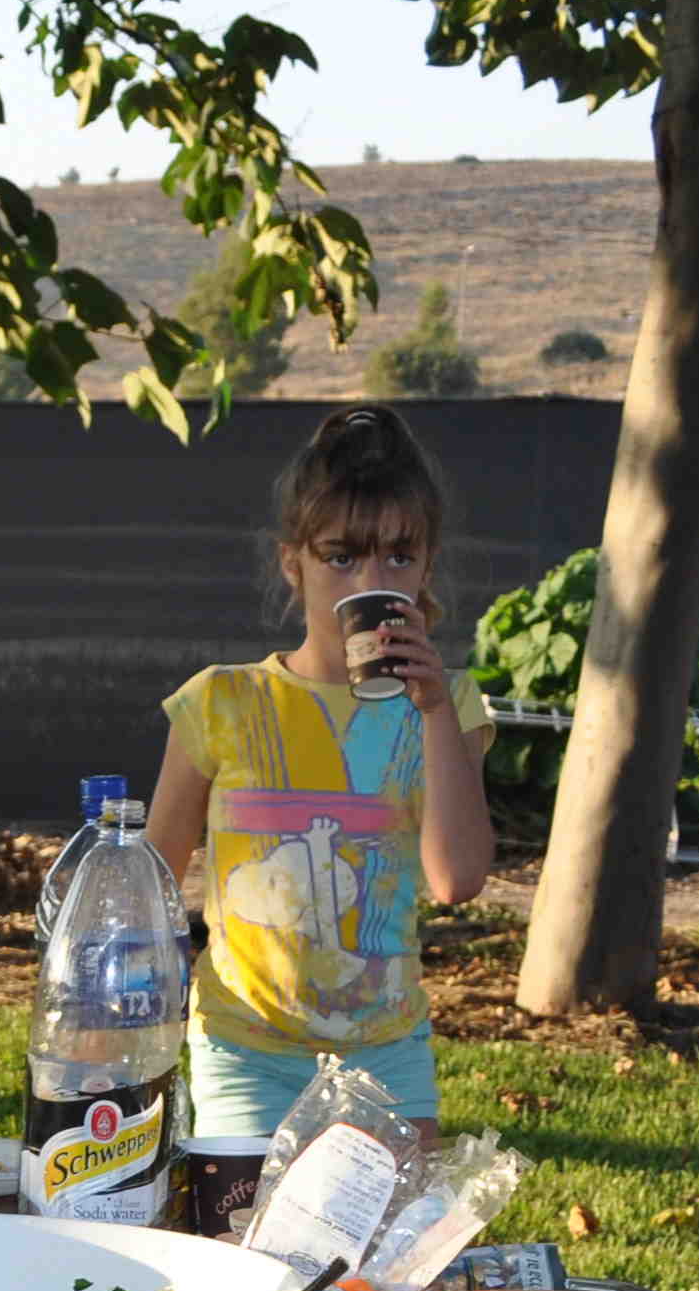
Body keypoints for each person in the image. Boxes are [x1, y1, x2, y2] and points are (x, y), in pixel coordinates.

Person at [146, 405, 497, 1138]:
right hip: (244, 1050)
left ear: (426, 568)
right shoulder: (220, 701)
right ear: (293, 563)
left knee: (394, 1222)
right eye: (341, 557)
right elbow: (150, 886)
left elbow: (456, 878)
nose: (370, 579)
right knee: (251, 1220)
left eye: (398, 557)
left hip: (388, 1053)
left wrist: (434, 709)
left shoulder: (451, 705)